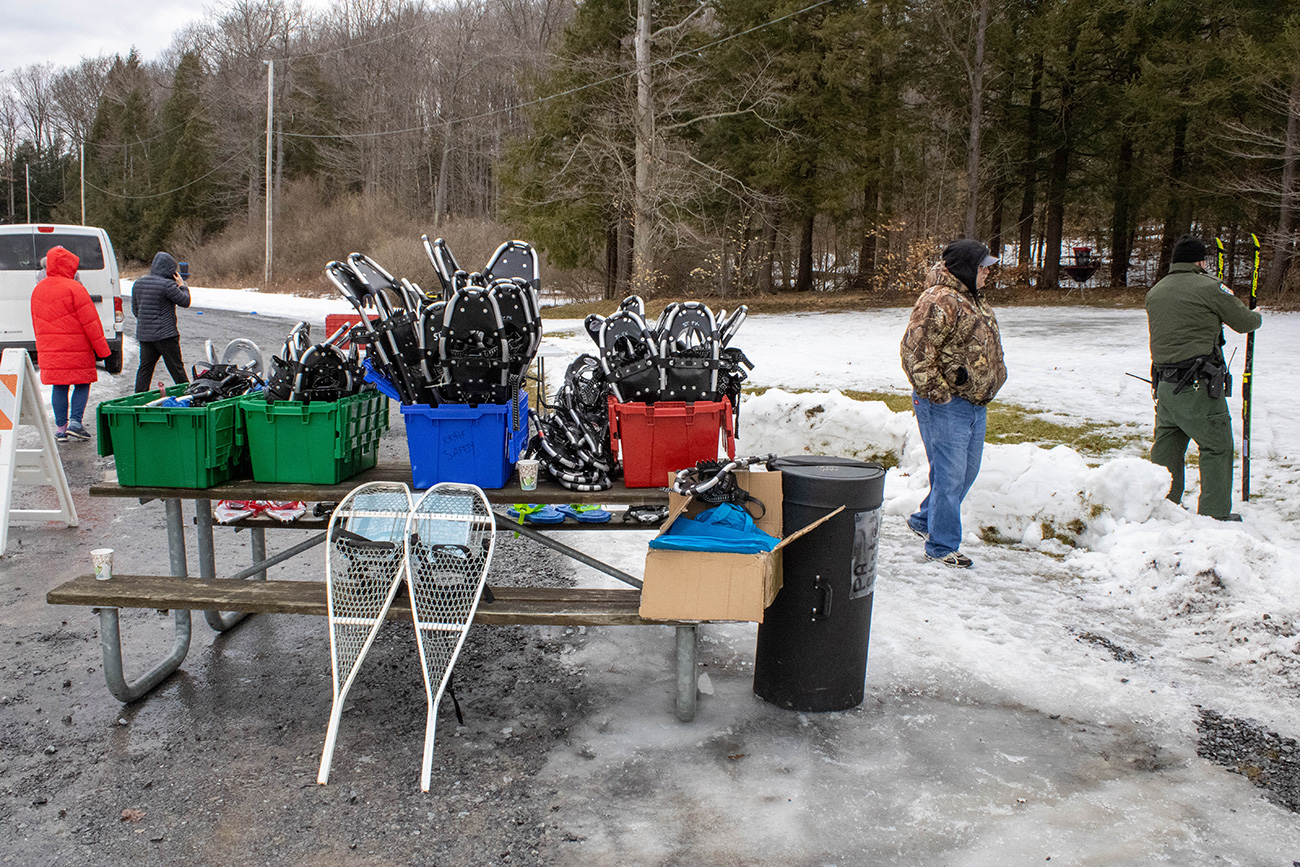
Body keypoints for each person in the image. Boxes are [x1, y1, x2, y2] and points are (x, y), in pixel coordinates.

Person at [900, 239, 1007, 568]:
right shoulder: (939, 300)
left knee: (966, 472)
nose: (988, 272)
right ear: (966, 268)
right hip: (946, 404)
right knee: (950, 476)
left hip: (975, 402)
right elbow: (914, 352)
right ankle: (942, 546)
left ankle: (924, 520)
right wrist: (940, 395)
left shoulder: (972, 297)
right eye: (982, 266)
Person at [1146, 235, 1262, 521]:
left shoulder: (1156, 291)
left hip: (1164, 384)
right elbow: (1244, 322)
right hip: (1198, 385)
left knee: (1167, 449)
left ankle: (1163, 506)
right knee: (1217, 446)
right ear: (1200, 261)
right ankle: (1214, 513)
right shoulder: (1210, 287)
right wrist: (1256, 315)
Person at [29, 246, 112, 443]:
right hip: (77, 349)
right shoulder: (75, 288)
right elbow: (91, 323)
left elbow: (36, 323)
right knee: (82, 383)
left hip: (50, 349)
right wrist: (103, 350)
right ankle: (75, 422)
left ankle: (61, 429)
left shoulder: (38, 289)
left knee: (59, 386)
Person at [132, 251, 191, 394]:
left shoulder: (138, 284)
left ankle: (138, 397)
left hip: (145, 336)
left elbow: (136, 311)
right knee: (176, 369)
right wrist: (182, 285)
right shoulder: (167, 285)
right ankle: (188, 395)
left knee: (145, 369)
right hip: (166, 335)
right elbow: (185, 301)